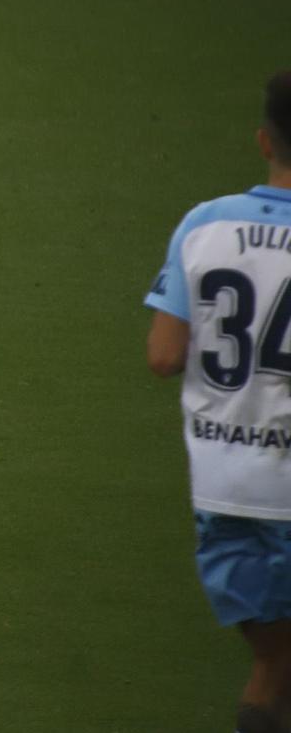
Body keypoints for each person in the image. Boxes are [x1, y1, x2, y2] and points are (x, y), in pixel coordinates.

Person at [145, 72, 291, 733]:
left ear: (263, 139)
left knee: (269, 657)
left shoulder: (204, 223)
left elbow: (163, 354)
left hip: (225, 484)